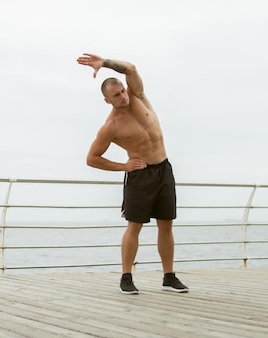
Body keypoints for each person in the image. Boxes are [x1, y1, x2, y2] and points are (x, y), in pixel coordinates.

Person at [76, 53, 188, 294]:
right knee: (134, 226)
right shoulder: (111, 126)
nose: (123, 97)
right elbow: (91, 159)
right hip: (141, 175)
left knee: (166, 224)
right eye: (116, 95)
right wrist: (123, 166)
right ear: (107, 100)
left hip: (164, 169)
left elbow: (131, 68)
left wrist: (103, 63)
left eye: (123, 91)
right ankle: (126, 277)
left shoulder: (138, 96)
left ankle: (169, 277)